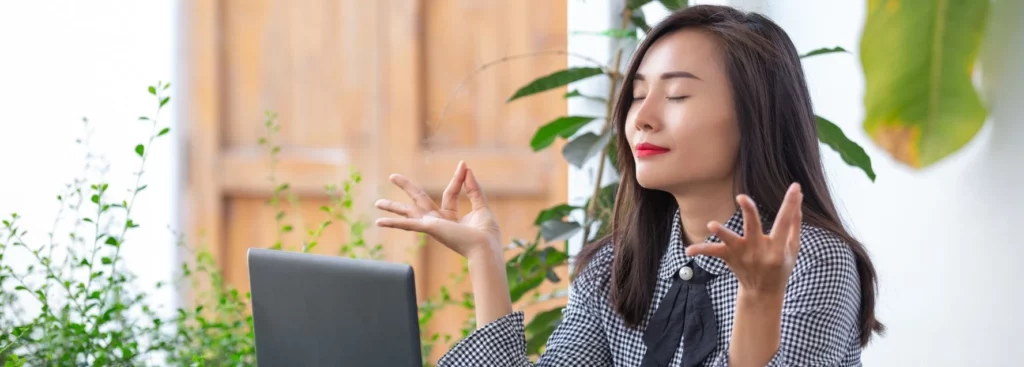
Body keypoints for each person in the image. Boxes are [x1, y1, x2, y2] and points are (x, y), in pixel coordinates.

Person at [373, 4, 883, 367]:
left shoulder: (811, 259)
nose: (642, 118)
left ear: (755, 116)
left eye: (678, 95)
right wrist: (484, 257)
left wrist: (759, 299)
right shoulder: (615, 267)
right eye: (637, 95)